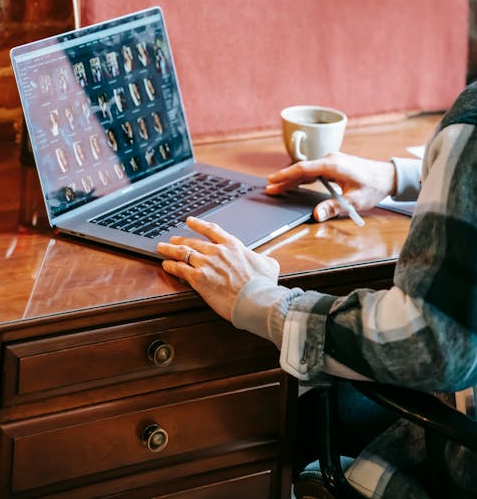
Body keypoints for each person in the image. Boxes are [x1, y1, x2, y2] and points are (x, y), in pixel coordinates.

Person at [157, 82, 477, 498]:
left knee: (288, 412)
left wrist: (257, 299)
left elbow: (429, 343)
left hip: (454, 470)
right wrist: (402, 175)